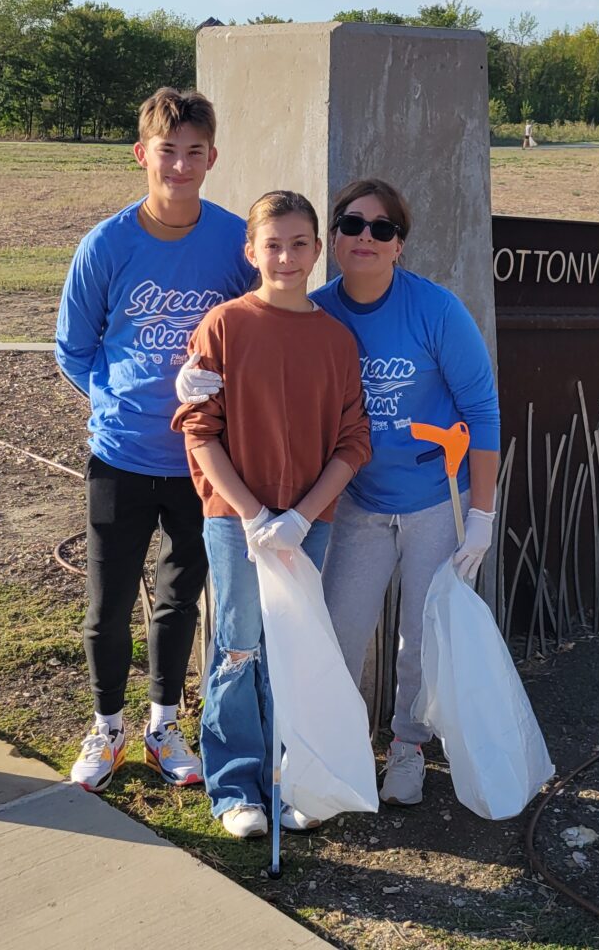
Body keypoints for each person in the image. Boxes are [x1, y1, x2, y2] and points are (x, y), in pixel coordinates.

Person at [178, 178, 500, 807]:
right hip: (355, 507)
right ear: (336, 237)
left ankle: (407, 746)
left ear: (399, 243)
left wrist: (483, 513)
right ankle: (329, 754)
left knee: (421, 635)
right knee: (334, 640)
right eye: (353, 224)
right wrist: (189, 378)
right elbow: (251, 376)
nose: (366, 238)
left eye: (382, 229)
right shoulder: (319, 312)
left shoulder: (434, 311)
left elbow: (481, 411)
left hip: (435, 500)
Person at [54, 87, 255, 793]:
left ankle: (163, 724)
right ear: (142, 155)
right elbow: (72, 349)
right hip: (121, 457)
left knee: (180, 597)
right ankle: (107, 726)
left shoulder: (235, 243)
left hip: (202, 461)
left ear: (212, 158)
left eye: (194, 152)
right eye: (167, 152)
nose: (180, 165)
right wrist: (116, 405)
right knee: (108, 603)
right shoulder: (107, 245)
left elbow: (258, 327)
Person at [172, 190, 370, 839]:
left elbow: (351, 442)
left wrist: (302, 517)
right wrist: (254, 513)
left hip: (308, 523)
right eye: (272, 244)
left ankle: (296, 775)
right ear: (251, 251)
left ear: (317, 251)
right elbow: (200, 430)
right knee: (239, 646)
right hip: (236, 522)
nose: (285, 257)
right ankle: (236, 786)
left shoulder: (336, 340)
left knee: (298, 646)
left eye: (298, 244)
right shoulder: (224, 326)